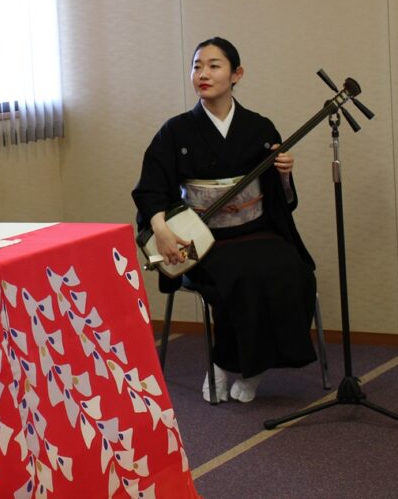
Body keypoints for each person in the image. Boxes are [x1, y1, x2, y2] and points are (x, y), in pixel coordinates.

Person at [132, 37, 316, 402]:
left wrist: (283, 174)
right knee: (239, 278)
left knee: (293, 271)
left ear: (237, 74)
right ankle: (223, 362)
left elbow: (281, 199)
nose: (203, 74)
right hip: (203, 238)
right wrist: (161, 230)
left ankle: (254, 368)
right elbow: (151, 188)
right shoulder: (175, 131)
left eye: (214, 66)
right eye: (197, 66)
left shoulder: (260, 127)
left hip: (257, 230)